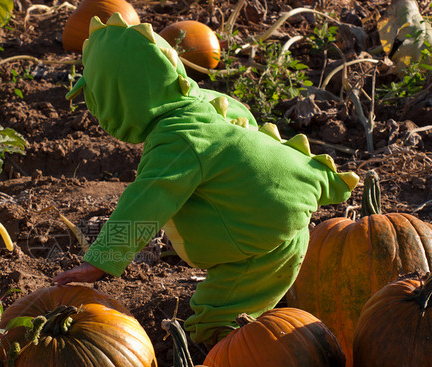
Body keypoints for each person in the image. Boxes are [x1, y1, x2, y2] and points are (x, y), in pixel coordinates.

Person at [52, 13, 358, 345]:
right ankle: (268, 325)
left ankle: (218, 347)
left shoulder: (177, 140)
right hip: (285, 212)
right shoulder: (203, 102)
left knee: (219, 318)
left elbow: (145, 203)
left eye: (98, 100)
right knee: (262, 287)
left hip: (258, 230)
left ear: (123, 96)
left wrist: (99, 262)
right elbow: (244, 124)